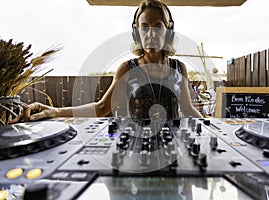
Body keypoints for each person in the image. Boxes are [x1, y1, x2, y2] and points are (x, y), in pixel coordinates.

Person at [11, 0, 203, 123]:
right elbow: (102, 108)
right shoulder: (128, 68)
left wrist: (215, 129)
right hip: (136, 145)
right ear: (136, 32)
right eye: (144, 27)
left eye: (158, 27)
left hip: (175, 147)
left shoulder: (180, 68)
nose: (151, 34)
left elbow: (187, 109)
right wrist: (55, 111)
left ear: (168, 32)